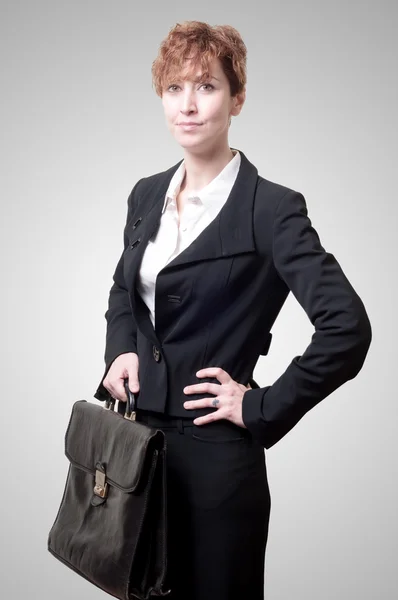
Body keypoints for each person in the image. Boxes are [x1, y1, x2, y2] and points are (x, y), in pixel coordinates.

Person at [94, 20, 372, 600]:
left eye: (207, 86)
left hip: (217, 466)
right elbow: (125, 288)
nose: (188, 105)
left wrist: (261, 406)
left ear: (237, 97)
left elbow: (347, 328)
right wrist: (120, 346)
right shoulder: (146, 194)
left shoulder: (271, 209)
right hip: (136, 451)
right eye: (174, 89)